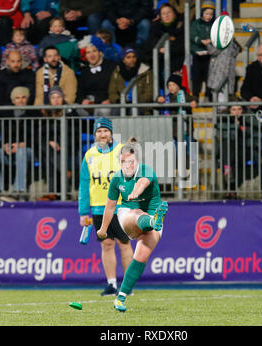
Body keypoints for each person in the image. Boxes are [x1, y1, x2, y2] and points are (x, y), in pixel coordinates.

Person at [96, 138, 168, 312]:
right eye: (122, 162)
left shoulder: (146, 171)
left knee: (141, 256)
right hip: (127, 214)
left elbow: (142, 183)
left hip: (151, 217)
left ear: (137, 162)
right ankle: (152, 221)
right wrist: (103, 229)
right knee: (136, 214)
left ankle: (120, 298)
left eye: (130, 162)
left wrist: (135, 192)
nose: (126, 165)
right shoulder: (116, 179)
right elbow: (111, 206)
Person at [79, 117, 134, 296]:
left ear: (111, 133)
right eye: (99, 131)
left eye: (105, 131)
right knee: (107, 244)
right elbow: (84, 184)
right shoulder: (89, 155)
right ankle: (111, 284)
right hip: (98, 208)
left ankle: (127, 285)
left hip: (119, 206)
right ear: (95, 134)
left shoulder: (121, 151)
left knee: (125, 244)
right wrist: (83, 211)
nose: (103, 134)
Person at [0, 87, 36, 202]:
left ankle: (19, 191)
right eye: (17, 98)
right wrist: (4, 145)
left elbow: (39, 137)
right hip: (10, 151)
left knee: (21, 152)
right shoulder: (7, 116)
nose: (20, 100)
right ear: (13, 101)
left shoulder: (34, 113)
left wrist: (24, 144)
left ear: (27, 99)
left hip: (30, 151)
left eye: (23, 97)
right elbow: (2, 135)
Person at [77, 35, 117, 117]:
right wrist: (82, 101)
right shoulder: (84, 71)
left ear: (100, 52)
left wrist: (110, 100)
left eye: (94, 51)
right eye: (88, 52)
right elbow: (80, 90)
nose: (91, 55)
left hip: (107, 102)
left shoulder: (111, 67)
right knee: (76, 109)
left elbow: (117, 87)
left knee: (104, 110)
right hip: (90, 104)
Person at [108, 47, 153, 115]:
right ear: (123, 60)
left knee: (134, 110)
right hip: (122, 103)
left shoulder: (145, 72)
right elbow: (112, 92)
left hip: (140, 104)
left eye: (134, 57)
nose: (132, 59)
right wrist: (120, 100)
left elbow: (149, 93)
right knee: (116, 111)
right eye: (128, 57)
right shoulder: (117, 72)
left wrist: (134, 100)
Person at [145, 3, 185, 78]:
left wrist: (168, 49)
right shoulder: (155, 28)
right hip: (159, 61)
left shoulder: (182, 26)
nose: (166, 16)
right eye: (163, 14)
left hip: (177, 61)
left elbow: (182, 46)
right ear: (160, 16)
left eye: (169, 13)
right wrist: (160, 50)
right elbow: (149, 46)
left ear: (174, 13)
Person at [190, 0, 215, 99]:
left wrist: (211, 40)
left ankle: (208, 95)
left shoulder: (214, 24)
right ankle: (195, 96)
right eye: (206, 14)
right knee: (197, 76)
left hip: (210, 54)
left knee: (209, 76)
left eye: (211, 14)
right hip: (198, 54)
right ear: (202, 13)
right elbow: (192, 36)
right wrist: (200, 41)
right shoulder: (196, 24)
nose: (208, 16)